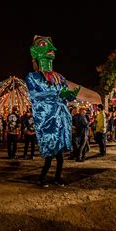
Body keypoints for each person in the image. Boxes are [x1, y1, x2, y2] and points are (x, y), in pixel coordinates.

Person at [25, 36, 79, 187]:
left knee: (60, 157)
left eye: (51, 46)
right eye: (44, 45)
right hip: (46, 120)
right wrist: (57, 94)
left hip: (60, 119)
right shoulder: (33, 77)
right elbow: (35, 95)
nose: (51, 50)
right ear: (35, 52)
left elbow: (65, 94)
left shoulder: (60, 77)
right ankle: (42, 179)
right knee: (49, 155)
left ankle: (57, 178)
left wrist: (70, 95)